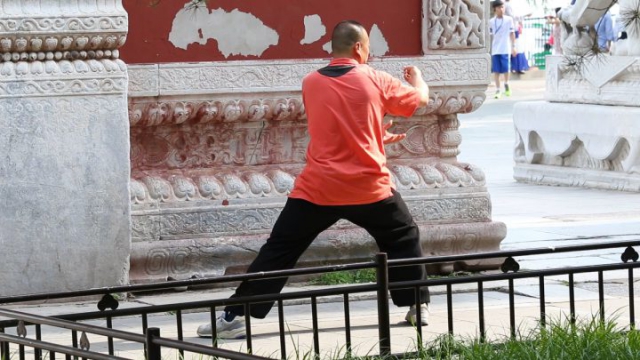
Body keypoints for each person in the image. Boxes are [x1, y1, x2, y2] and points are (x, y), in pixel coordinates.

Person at [196, 20, 431, 340]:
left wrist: (374, 137)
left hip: (318, 187)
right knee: (403, 236)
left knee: (279, 250)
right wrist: (417, 79)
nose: (369, 54)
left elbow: (337, 126)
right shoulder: (374, 78)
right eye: (368, 48)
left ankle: (234, 316)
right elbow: (417, 101)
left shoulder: (311, 82)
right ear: (359, 48)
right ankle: (416, 305)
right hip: (368, 187)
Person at [490, 0, 516, 99]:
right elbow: (490, 35)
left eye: (503, 7)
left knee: (506, 69)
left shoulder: (509, 20)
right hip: (495, 49)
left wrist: (514, 46)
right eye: (499, 7)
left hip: (505, 48)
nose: (502, 9)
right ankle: (497, 89)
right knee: (496, 71)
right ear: (495, 9)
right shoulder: (491, 21)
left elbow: (512, 33)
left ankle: (506, 83)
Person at [505, 0, 532, 74]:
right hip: (512, 29)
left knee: (516, 47)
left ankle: (516, 67)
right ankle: (517, 67)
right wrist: (525, 15)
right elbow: (512, 17)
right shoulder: (507, 5)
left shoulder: (508, 4)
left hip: (513, 28)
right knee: (516, 47)